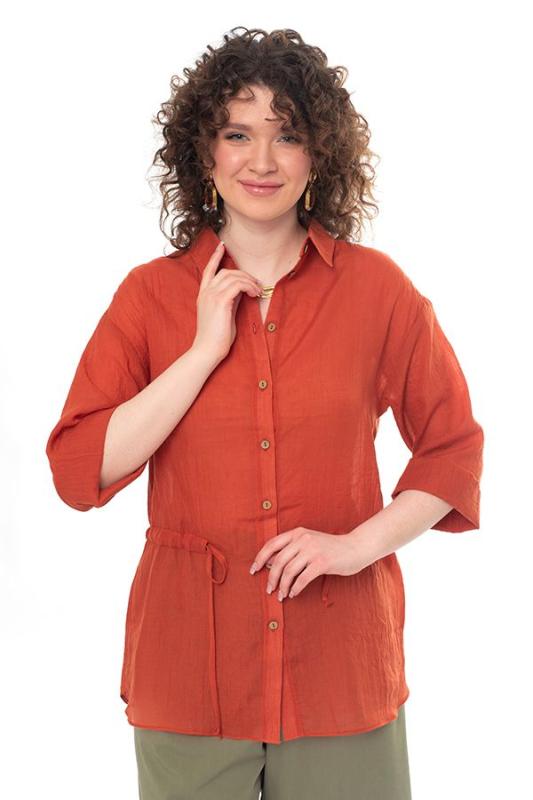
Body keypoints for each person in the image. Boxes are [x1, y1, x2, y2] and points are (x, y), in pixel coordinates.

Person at [45, 26, 484, 800]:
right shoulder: (149, 297)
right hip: (189, 672)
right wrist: (202, 351)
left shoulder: (377, 291)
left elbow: (451, 449)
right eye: (237, 133)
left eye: (287, 135)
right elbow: (81, 470)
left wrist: (356, 547)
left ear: (318, 155)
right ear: (204, 153)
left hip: (340, 669)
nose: (261, 161)